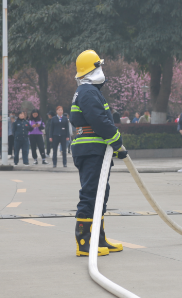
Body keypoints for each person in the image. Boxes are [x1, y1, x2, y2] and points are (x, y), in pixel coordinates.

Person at [70, 49, 126, 257]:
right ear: (90, 70)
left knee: (101, 193)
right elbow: (99, 121)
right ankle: (83, 241)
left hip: (97, 150)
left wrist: (114, 146)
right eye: (98, 66)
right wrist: (117, 141)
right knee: (91, 193)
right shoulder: (87, 92)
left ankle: (98, 238)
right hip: (91, 150)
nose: (102, 69)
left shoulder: (90, 91)